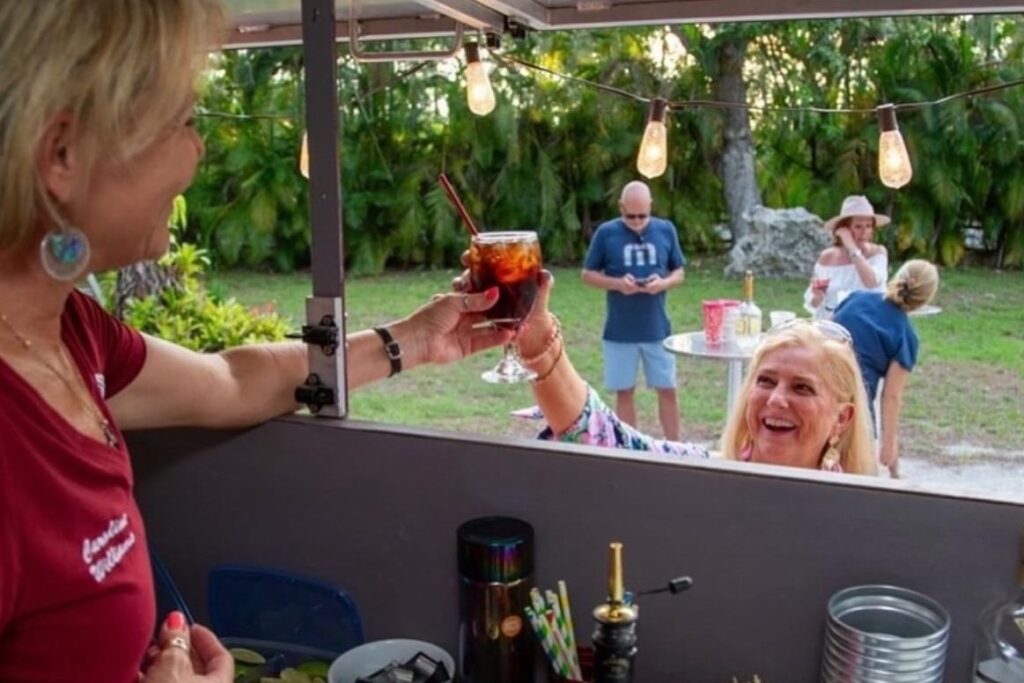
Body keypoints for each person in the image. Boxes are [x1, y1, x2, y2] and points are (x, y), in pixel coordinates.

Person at [0, 2, 512, 681]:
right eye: (181, 121)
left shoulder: (68, 333)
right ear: (61, 152)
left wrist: (412, 341)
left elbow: (232, 381)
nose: (197, 148)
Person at [483, 271, 877, 476]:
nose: (776, 399)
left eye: (802, 388)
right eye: (765, 380)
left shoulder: (866, 515)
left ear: (842, 418)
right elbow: (599, 434)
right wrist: (537, 343)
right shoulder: (700, 474)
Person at [582, 181, 686, 440]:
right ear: (621, 208)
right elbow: (587, 274)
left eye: (643, 215)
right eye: (631, 216)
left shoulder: (666, 229)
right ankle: (631, 447)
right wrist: (617, 284)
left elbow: (679, 272)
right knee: (624, 391)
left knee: (667, 388)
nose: (638, 222)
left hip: (657, 328)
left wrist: (663, 283)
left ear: (651, 207)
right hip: (619, 330)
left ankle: (674, 446)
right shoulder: (607, 233)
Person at [833, 260, 939, 479]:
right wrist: (888, 446)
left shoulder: (855, 299)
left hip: (816, 389)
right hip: (854, 408)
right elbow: (891, 396)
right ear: (925, 300)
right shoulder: (905, 336)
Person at [804, 195, 890, 319]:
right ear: (844, 228)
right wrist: (817, 296)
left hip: (869, 321)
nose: (864, 232)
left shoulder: (878, 252)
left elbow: (871, 282)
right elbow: (813, 304)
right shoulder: (828, 257)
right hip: (832, 323)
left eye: (868, 226)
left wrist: (850, 245)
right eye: (858, 226)